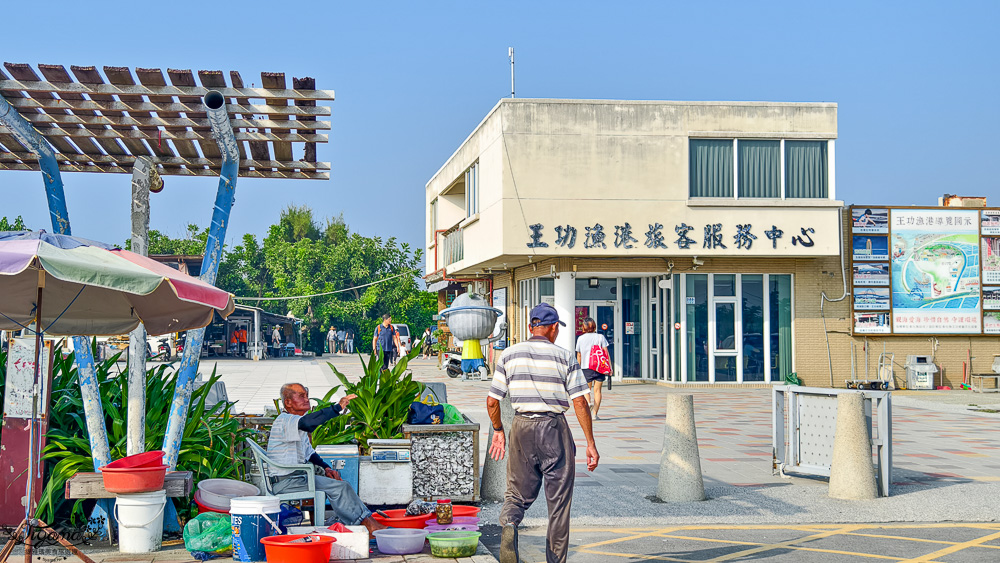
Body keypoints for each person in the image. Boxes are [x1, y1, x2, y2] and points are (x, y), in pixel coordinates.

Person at [487, 303, 599, 563]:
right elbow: (580, 402)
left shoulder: (509, 355)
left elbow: (492, 401)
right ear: (553, 328)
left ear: (531, 327)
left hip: (521, 427)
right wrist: (590, 443)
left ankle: (510, 524)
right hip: (553, 429)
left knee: (516, 494)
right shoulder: (564, 357)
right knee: (558, 503)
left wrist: (498, 430)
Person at [267, 383, 387, 533]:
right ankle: (366, 525)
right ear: (288, 402)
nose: (307, 399)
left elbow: (310, 454)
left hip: (297, 478)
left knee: (341, 484)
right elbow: (309, 422)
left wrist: (326, 468)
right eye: (301, 396)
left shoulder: (296, 424)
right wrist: (337, 408)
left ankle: (364, 522)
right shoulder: (285, 420)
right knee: (340, 488)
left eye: (307, 395)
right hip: (286, 482)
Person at [575, 317, 610, 420]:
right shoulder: (600, 337)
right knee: (597, 391)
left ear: (584, 327)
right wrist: (609, 367)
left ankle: (588, 403)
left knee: (586, 390)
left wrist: (578, 368)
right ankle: (594, 414)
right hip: (599, 367)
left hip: (586, 367)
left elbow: (579, 355)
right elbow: (606, 353)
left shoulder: (581, 339)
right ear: (594, 326)